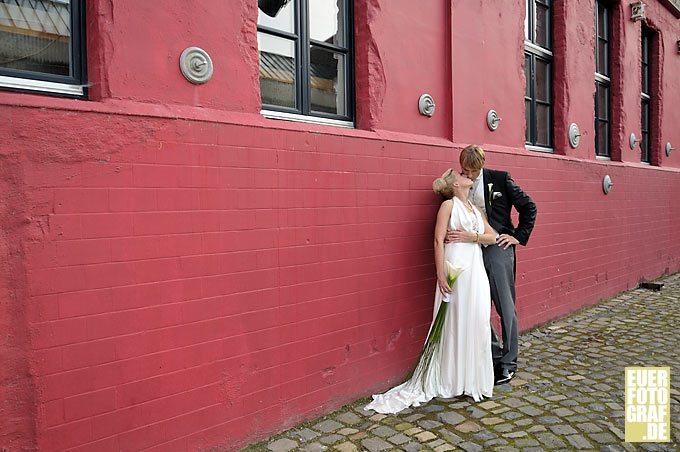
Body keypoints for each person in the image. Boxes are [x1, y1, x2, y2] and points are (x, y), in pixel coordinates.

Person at [365, 169, 498, 414]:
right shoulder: (449, 206)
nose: (466, 174)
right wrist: (440, 274)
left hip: (476, 272)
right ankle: (452, 379)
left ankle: (471, 380)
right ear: (455, 184)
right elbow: (438, 240)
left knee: (478, 320)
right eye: (461, 174)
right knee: (454, 323)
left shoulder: (476, 209)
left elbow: (493, 237)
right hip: (454, 269)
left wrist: (471, 236)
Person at [450, 145, 537, 385]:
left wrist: (518, 236)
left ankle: (509, 363)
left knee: (505, 306)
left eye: (471, 171)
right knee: (476, 304)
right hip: (471, 250)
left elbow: (529, 207)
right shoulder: (458, 183)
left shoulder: (500, 179)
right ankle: (493, 353)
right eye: (464, 170)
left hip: (498, 247)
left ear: (480, 166)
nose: (467, 175)